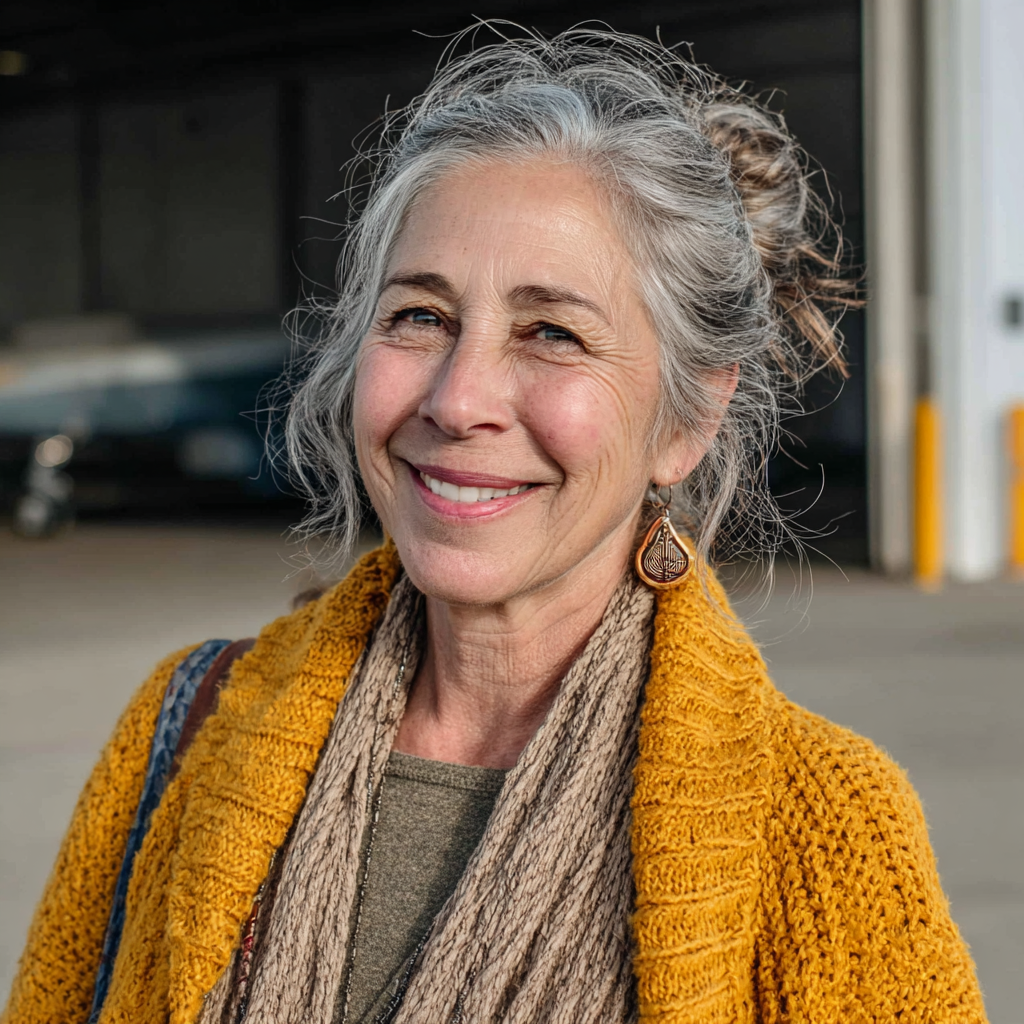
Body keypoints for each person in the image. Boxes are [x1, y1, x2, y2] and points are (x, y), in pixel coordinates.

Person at [3, 25, 987, 1024]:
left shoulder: (821, 828)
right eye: (419, 316)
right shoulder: (182, 729)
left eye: (551, 333)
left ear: (685, 420)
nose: (457, 396)